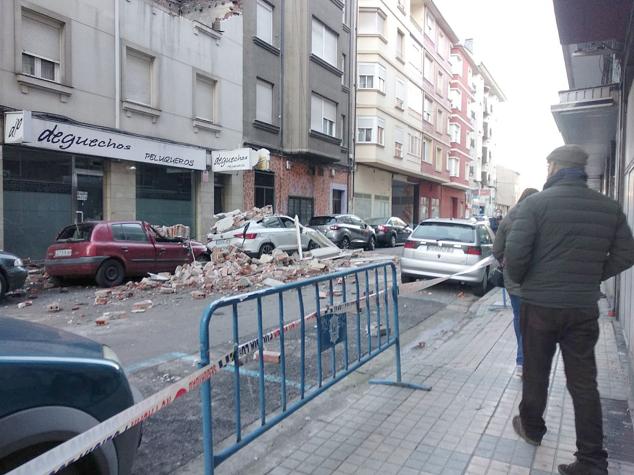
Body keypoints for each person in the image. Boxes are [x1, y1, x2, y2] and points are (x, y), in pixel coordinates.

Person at [505, 145, 634, 475]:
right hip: (582, 308)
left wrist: (526, 282)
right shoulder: (609, 207)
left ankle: (532, 428)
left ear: (552, 167)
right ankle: (592, 460)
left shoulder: (534, 205)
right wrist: (592, 275)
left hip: (540, 307)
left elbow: (515, 257)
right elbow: (627, 254)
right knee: (584, 384)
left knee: (536, 372)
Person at [491, 187, 538, 377]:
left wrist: (504, 261)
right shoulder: (539, 218)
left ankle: (521, 362)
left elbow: (496, 249)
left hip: (513, 279)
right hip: (536, 280)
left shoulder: (509, 218)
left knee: (519, 317)